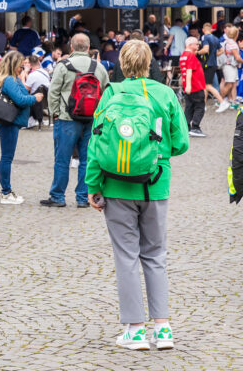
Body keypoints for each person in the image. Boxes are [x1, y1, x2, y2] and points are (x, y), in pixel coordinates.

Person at [86, 39, 188, 351]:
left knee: (126, 256)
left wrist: (93, 186)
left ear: (121, 63)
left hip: (116, 185)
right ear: (149, 64)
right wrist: (156, 150)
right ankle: (163, 328)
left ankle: (135, 330)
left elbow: (97, 144)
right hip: (155, 183)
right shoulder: (165, 94)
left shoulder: (111, 93)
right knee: (155, 255)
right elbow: (181, 143)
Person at [42, 34, 109, 207]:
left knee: (62, 159)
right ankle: (83, 198)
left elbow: (53, 92)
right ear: (88, 48)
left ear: (71, 47)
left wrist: (55, 113)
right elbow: (107, 94)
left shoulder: (63, 66)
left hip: (66, 118)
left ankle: (58, 196)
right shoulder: (98, 67)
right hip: (91, 119)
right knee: (87, 160)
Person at [0, 51, 43, 205]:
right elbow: (20, 100)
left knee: (7, 156)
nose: (22, 67)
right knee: (7, 157)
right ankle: (6, 192)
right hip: (9, 122)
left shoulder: (10, 78)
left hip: (9, 121)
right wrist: (35, 98)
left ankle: (6, 191)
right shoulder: (9, 80)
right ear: (14, 64)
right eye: (21, 65)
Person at [179, 37, 206, 137]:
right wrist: (189, 85)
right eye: (196, 44)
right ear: (190, 45)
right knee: (200, 107)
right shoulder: (190, 55)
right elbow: (189, 70)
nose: (198, 45)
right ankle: (195, 127)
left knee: (189, 107)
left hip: (189, 86)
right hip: (195, 86)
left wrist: (186, 85)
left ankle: (186, 127)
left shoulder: (183, 55)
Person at [219, 24, 243, 107]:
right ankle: (220, 100)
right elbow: (237, 57)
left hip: (230, 65)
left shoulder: (228, 41)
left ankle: (233, 101)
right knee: (229, 84)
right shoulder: (232, 43)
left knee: (233, 84)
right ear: (236, 34)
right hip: (230, 66)